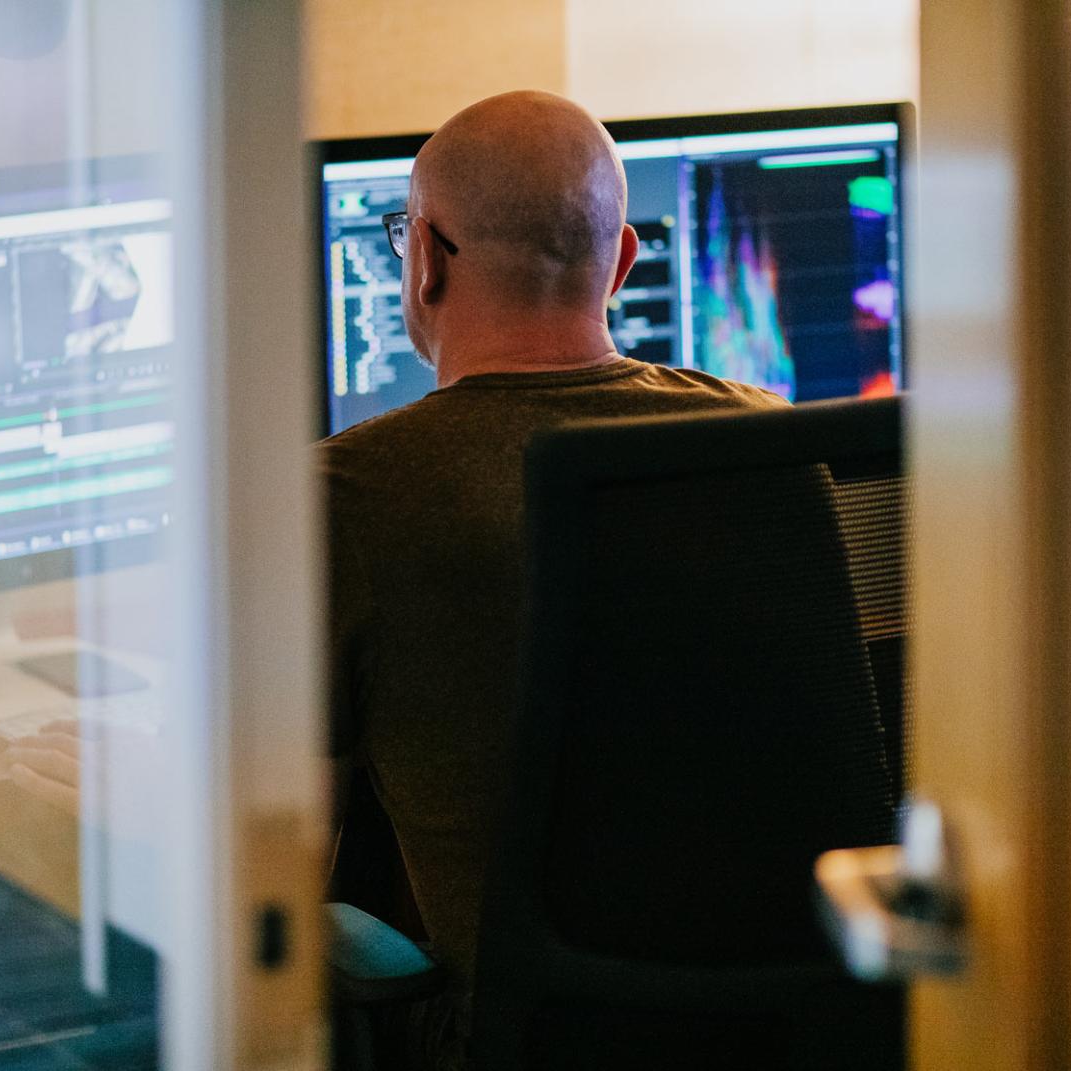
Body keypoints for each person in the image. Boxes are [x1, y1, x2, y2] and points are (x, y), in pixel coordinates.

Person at [319, 90, 788, 1061]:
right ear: (621, 261)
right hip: (790, 1024)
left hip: (515, 1041)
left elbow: (276, 851)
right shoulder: (778, 443)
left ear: (422, 258)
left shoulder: (347, 495)